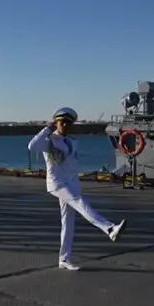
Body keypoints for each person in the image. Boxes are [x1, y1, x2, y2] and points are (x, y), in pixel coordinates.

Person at [28, 107, 127, 271]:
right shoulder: (49, 141)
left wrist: (76, 182)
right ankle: (109, 228)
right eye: (62, 122)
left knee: (68, 222)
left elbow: (72, 164)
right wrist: (48, 128)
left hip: (72, 183)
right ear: (56, 123)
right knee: (80, 203)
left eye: (68, 123)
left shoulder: (73, 141)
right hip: (57, 183)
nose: (65, 125)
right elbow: (32, 146)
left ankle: (64, 259)